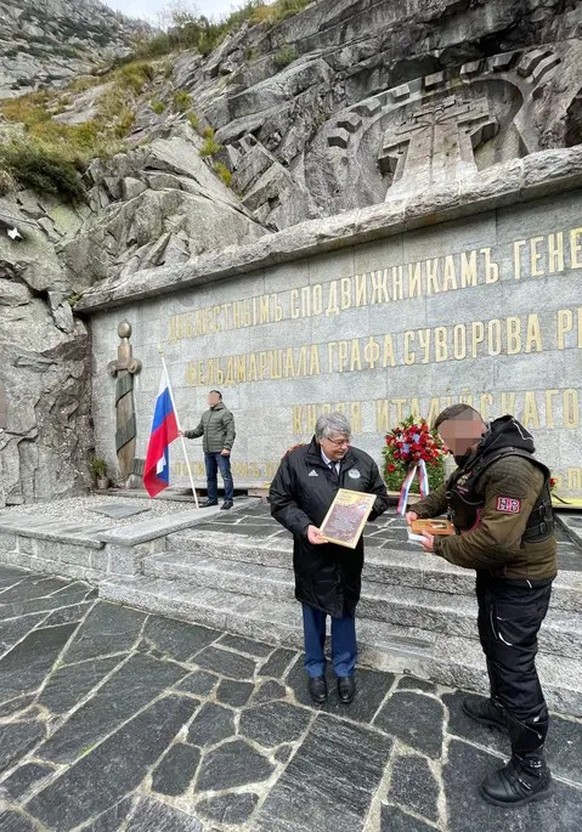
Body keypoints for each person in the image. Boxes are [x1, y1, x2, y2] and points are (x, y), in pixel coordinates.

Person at [406, 404, 556, 807]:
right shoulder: (478, 456)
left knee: (515, 664)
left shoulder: (511, 468)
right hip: (498, 577)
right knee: (494, 645)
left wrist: (439, 544)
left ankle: (531, 767)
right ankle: (502, 707)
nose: (446, 448)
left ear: (469, 432)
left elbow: (495, 541)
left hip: (519, 581)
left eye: (448, 440)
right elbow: (452, 489)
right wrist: (421, 509)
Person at [269, 412, 389, 705]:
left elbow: (381, 496)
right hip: (313, 555)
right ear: (320, 439)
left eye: (348, 440)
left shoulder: (361, 461)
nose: (344, 446)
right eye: (337, 441)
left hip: (348, 556)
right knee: (313, 615)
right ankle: (315, 670)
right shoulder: (296, 462)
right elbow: (280, 500)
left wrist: (363, 511)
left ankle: (344, 669)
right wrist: (304, 527)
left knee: (345, 612)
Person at [182, 390, 235, 510]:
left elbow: (231, 432)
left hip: (221, 451)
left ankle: (228, 500)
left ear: (220, 399)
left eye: (213, 397)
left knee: (225, 475)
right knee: (210, 476)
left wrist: (227, 447)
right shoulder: (205, 414)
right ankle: (212, 499)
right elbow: (199, 431)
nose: (210, 399)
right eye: (209, 397)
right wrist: (186, 433)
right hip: (208, 451)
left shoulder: (225, 413)